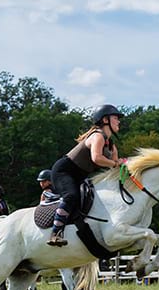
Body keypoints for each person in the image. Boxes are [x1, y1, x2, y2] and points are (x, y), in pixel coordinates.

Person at [47, 104, 122, 246]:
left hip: (80, 175)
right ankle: (55, 232)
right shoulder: (98, 136)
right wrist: (115, 164)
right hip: (64, 171)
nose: (119, 121)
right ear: (105, 120)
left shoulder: (112, 146)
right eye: (115, 118)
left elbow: (115, 167)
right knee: (71, 196)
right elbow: (97, 158)